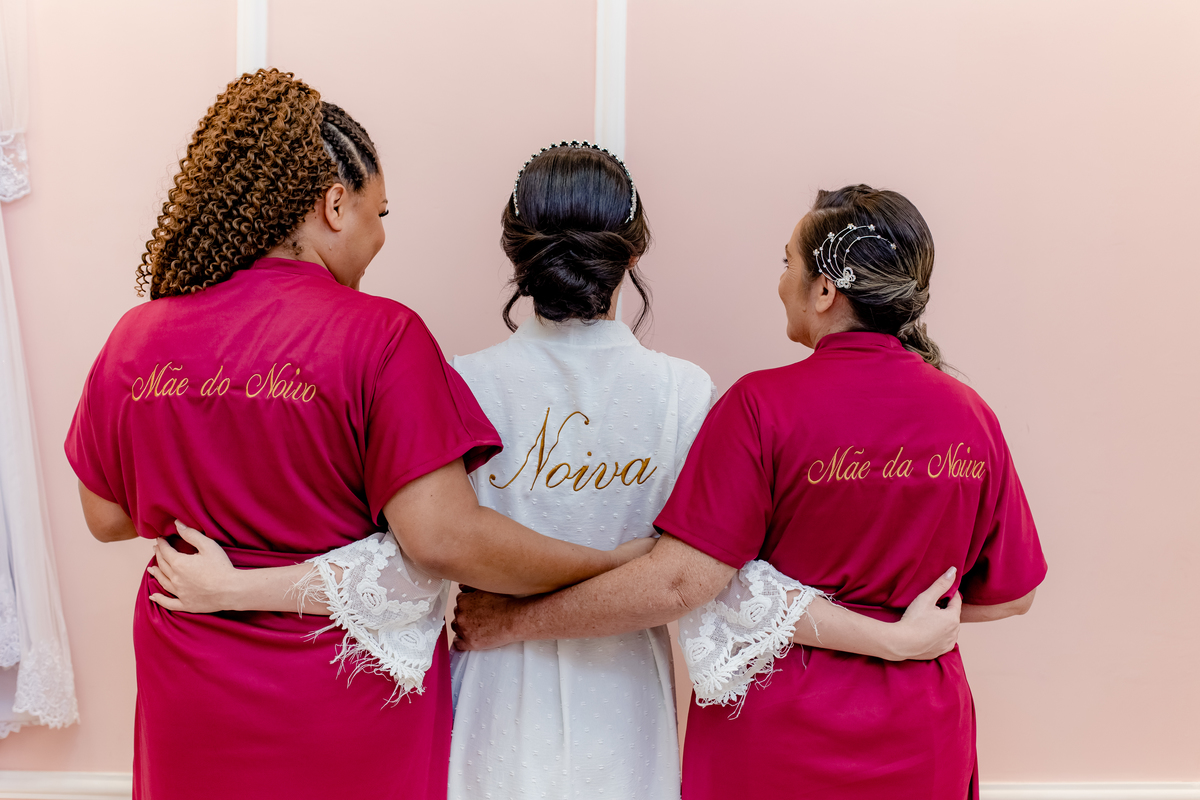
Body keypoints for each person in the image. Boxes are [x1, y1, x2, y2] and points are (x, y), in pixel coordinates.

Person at [148, 151, 961, 799]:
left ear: (516, 252)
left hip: (489, 702)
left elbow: (408, 556)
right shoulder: (686, 395)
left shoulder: (457, 381)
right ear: (631, 254)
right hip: (628, 706)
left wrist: (241, 588)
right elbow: (707, 576)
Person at [64, 73, 651, 800]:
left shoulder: (137, 335)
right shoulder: (381, 335)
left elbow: (106, 516)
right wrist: (602, 565)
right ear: (334, 205)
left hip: (189, 686)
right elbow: (442, 539)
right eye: (380, 212)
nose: (380, 237)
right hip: (341, 697)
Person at [452, 185, 1047, 800]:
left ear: (824, 291)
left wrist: (512, 621)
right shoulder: (973, 417)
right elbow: (1014, 594)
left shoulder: (761, 407)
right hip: (924, 737)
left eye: (788, 262)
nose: (782, 281)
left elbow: (682, 582)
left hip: (779, 737)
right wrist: (898, 627)